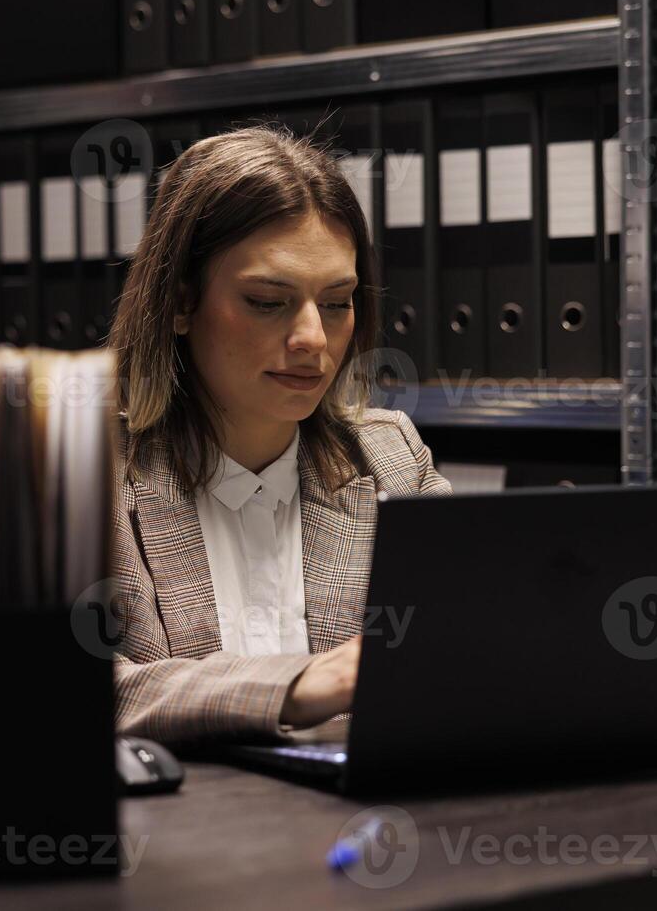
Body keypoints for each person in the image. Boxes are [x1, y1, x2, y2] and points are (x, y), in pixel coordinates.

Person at [105, 123, 452, 743]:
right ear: (180, 302)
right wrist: (291, 688)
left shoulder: (389, 458)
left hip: (352, 828)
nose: (313, 340)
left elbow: (468, 644)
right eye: (269, 301)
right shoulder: (83, 477)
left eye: (338, 302)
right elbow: (48, 691)